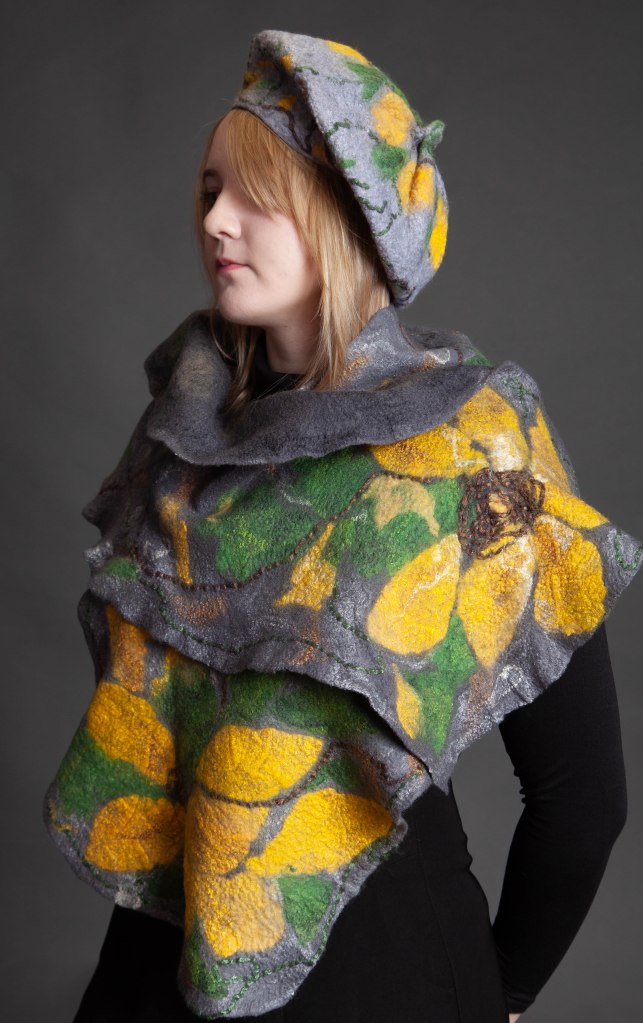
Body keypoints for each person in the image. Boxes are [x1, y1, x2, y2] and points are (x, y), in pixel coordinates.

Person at [43, 29, 642, 1023]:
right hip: (159, 963)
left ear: (347, 213)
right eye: (209, 191)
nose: (216, 221)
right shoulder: (185, 429)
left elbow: (581, 798)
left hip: (385, 973)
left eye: (255, 194)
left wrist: (506, 991)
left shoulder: (473, 449)